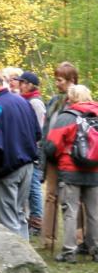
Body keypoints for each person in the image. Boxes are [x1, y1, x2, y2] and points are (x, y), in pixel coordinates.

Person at [0, 70, 41, 240]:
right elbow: (37, 133)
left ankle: (11, 263)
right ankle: (25, 259)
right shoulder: (23, 101)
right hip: (26, 166)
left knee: (6, 222)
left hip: (4, 170)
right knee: (19, 216)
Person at [43, 85, 98, 263]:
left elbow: (51, 147)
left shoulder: (66, 117)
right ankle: (95, 249)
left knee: (70, 211)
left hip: (70, 170)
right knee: (94, 212)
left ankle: (69, 251)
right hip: (95, 171)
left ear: (72, 98)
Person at [41, 61, 79, 249]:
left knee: (77, 198)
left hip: (74, 157)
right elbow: (47, 128)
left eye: (60, 80)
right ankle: (48, 239)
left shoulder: (80, 100)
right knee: (51, 196)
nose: (57, 84)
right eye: (56, 80)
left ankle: (80, 238)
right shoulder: (54, 101)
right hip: (53, 156)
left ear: (72, 79)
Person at [17, 72, 46, 236]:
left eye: (23, 83)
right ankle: (31, 219)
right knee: (29, 185)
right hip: (28, 148)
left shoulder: (35, 102)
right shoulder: (26, 100)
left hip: (34, 149)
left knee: (34, 186)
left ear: (30, 85)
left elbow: (39, 129)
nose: (20, 85)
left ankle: (37, 221)